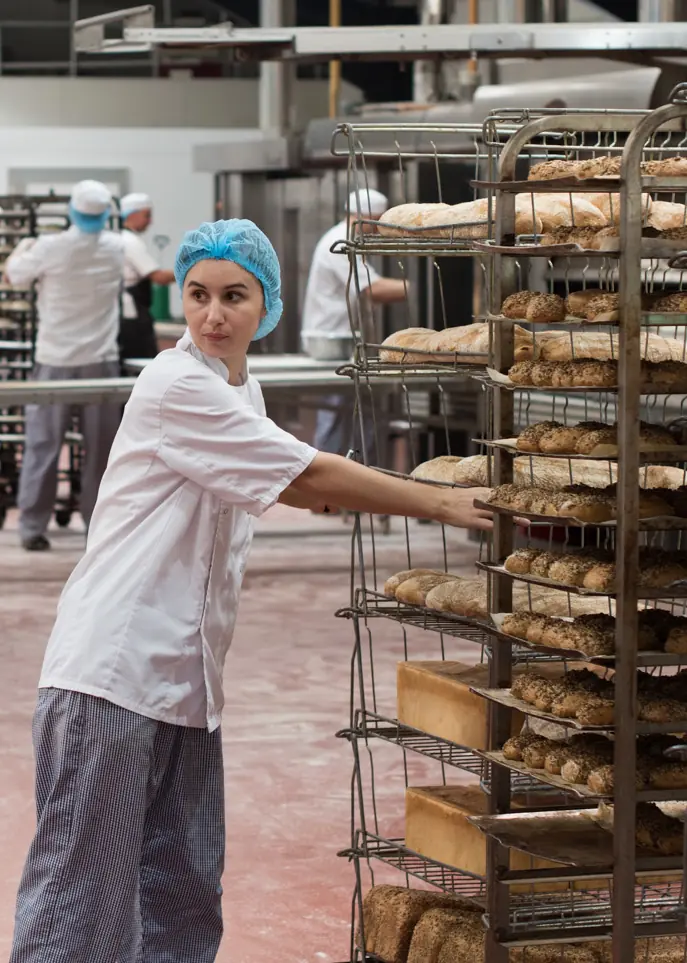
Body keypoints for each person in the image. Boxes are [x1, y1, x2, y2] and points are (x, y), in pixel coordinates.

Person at [8, 218, 492, 963]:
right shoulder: (174, 384)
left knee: (182, 893)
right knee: (84, 903)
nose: (211, 315)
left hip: (187, 684)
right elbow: (303, 478)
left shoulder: (243, 389)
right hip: (109, 676)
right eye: (197, 294)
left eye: (234, 296)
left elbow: (284, 481)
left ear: (265, 306)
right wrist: (441, 499)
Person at [6, 179, 125, 552]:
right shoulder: (117, 248)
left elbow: (14, 275)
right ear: (107, 214)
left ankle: (32, 528)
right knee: (101, 451)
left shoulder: (50, 247)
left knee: (42, 446)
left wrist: (21, 249)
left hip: (54, 360)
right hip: (100, 363)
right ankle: (99, 528)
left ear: (72, 211)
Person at [301, 188, 407, 459]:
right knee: (335, 414)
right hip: (331, 341)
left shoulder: (345, 238)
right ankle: (325, 487)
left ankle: (352, 480)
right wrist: (418, 288)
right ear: (369, 219)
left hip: (339, 339)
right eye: (378, 222)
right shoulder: (339, 241)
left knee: (352, 413)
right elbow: (371, 289)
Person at [119, 191, 175, 362]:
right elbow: (159, 277)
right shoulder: (129, 241)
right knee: (141, 360)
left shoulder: (123, 238)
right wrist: (194, 268)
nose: (150, 221)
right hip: (132, 317)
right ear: (132, 214)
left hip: (129, 312)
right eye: (147, 215)